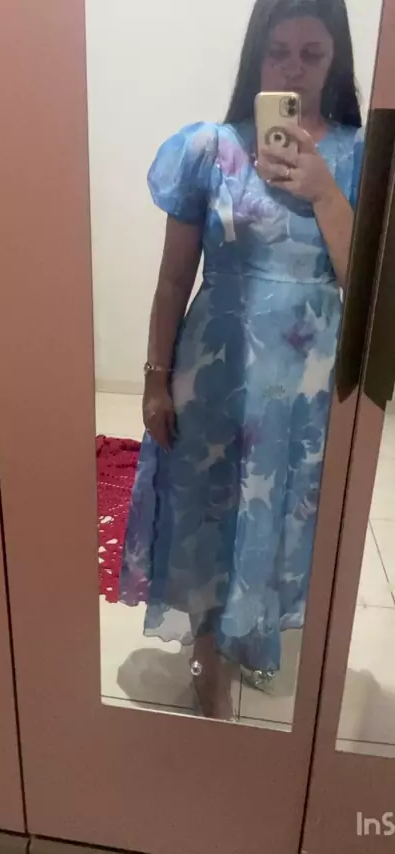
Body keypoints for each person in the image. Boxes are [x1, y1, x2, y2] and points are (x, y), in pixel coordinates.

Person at [119, 0, 364, 721]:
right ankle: (209, 658)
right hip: (216, 376)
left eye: (312, 54)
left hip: (306, 392)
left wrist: (324, 191)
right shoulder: (208, 149)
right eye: (278, 52)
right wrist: (154, 380)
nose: (294, 70)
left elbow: (367, 290)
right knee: (208, 514)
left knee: (276, 516)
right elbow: (173, 279)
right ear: (256, 55)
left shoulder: (362, 157)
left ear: (336, 61)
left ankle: (250, 638)